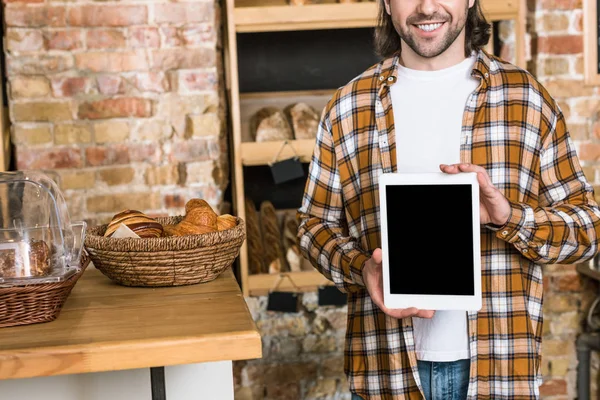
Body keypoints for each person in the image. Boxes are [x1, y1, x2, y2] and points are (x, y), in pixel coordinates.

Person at [296, 0, 600, 399]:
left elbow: (587, 228)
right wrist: (361, 270)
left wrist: (509, 218)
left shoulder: (526, 100)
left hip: (501, 368)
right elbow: (313, 226)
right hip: (385, 370)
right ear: (387, 3)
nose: (426, 7)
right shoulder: (348, 106)